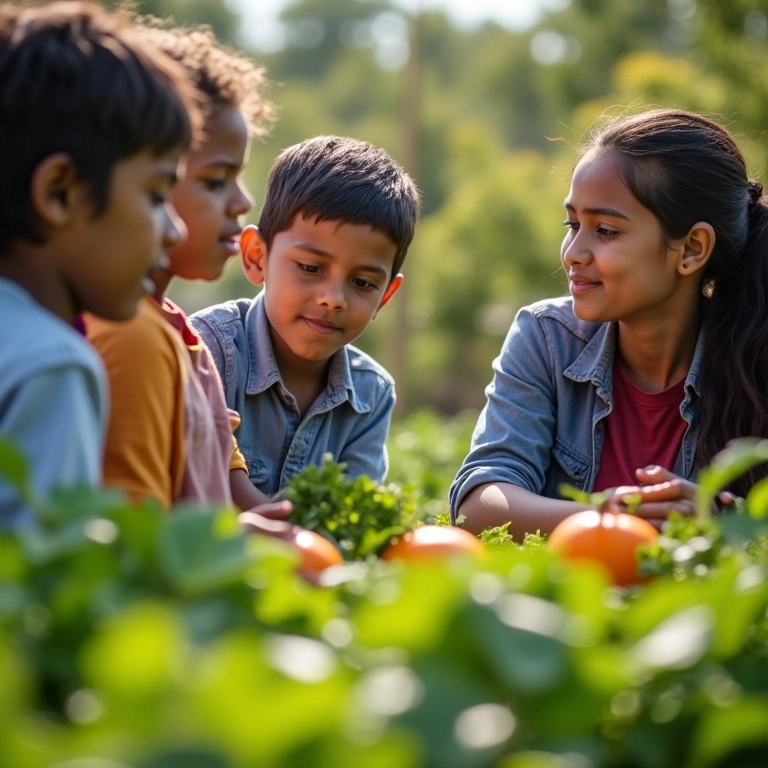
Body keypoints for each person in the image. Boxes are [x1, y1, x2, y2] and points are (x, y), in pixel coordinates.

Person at [450, 108, 766, 538]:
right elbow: (479, 504)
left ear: (692, 248)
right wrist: (606, 520)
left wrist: (724, 527)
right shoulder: (545, 339)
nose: (573, 252)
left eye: (605, 230)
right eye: (573, 224)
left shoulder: (756, 355)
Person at [85, 22, 289, 528]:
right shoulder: (129, 335)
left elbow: (222, 488)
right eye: (216, 180)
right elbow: (134, 531)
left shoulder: (182, 333)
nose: (242, 202)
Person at [0, 1, 196, 527]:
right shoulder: (51, 366)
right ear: (59, 193)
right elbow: (43, 588)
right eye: (156, 195)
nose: (174, 230)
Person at [190, 136, 421, 496]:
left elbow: (344, 519)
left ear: (385, 296)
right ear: (256, 257)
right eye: (311, 268)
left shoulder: (371, 395)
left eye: (362, 282)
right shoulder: (205, 352)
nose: (333, 299)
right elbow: (193, 490)